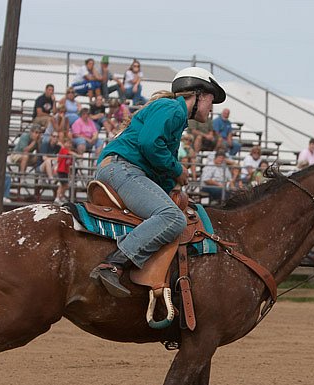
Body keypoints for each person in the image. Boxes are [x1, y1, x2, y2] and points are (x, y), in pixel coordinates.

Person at [89, 66, 226, 297]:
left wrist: (173, 184)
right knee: (171, 218)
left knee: (171, 211)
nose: (211, 108)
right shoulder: (172, 109)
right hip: (122, 169)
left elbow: (156, 161)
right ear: (198, 94)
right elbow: (150, 144)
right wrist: (177, 169)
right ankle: (113, 264)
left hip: (120, 169)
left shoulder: (173, 117)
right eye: (211, 99)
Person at [55, 136, 76, 205]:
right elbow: (69, 153)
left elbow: (69, 165)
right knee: (61, 185)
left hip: (65, 171)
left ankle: (61, 196)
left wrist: (69, 174)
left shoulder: (70, 155)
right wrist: (77, 155)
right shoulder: (63, 150)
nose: (69, 145)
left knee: (65, 185)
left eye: (70, 144)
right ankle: (57, 198)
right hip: (61, 170)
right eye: (67, 143)